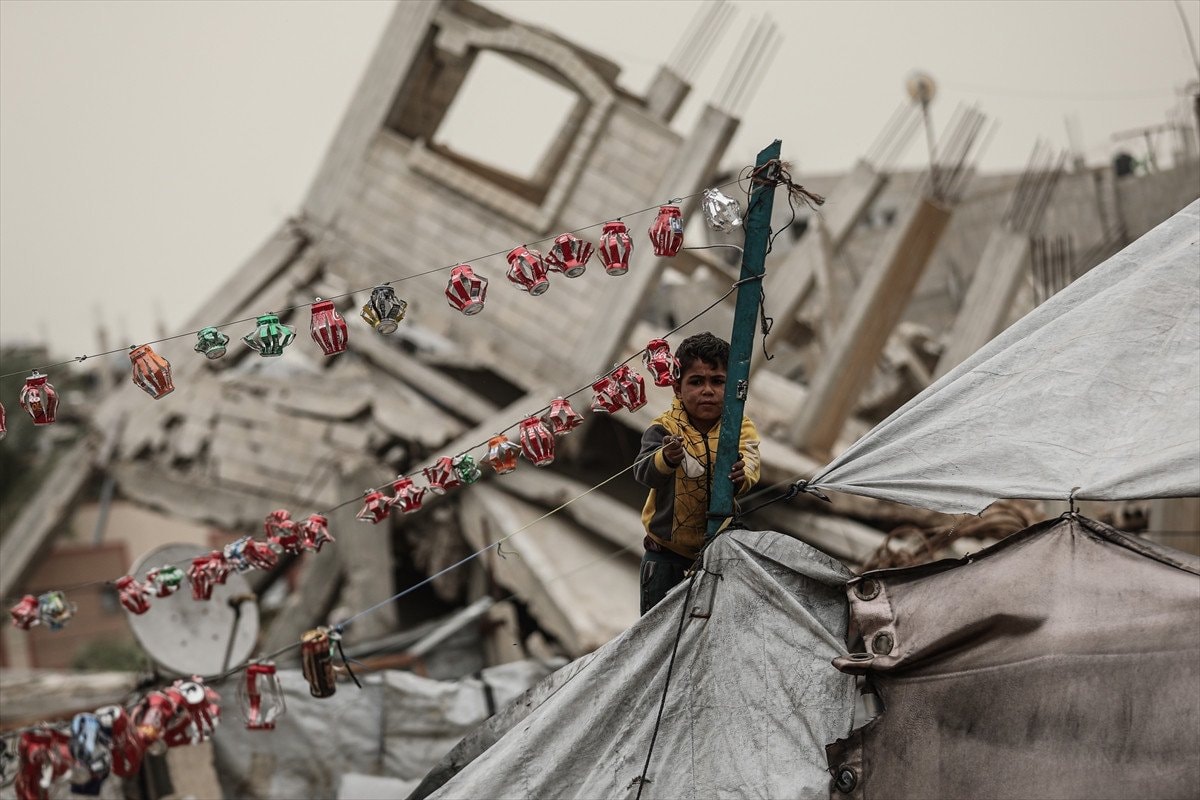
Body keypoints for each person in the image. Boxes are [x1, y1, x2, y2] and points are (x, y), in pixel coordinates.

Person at [632, 332, 761, 615]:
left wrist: (742, 474)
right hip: (665, 555)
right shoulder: (664, 428)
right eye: (696, 381)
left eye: (718, 381)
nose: (707, 390)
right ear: (677, 388)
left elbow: (751, 462)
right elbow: (643, 472)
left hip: (720, 554)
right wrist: (666, 458)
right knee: (658, 631)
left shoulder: (739, 427)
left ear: (732, 386)